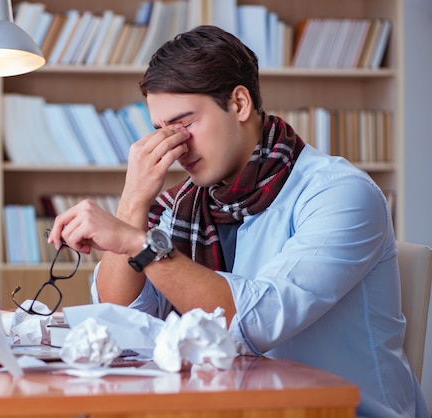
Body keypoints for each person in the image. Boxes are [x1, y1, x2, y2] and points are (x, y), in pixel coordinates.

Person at [47, 26, 428, 417]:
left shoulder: (340, 193)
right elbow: (121, 317)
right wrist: (132, 203)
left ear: (240, 103)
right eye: (161, 131)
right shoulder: (185, 205)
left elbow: (253, 324)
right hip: (230, 406)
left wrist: (138, 244)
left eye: (184, 124)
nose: (174, 148)